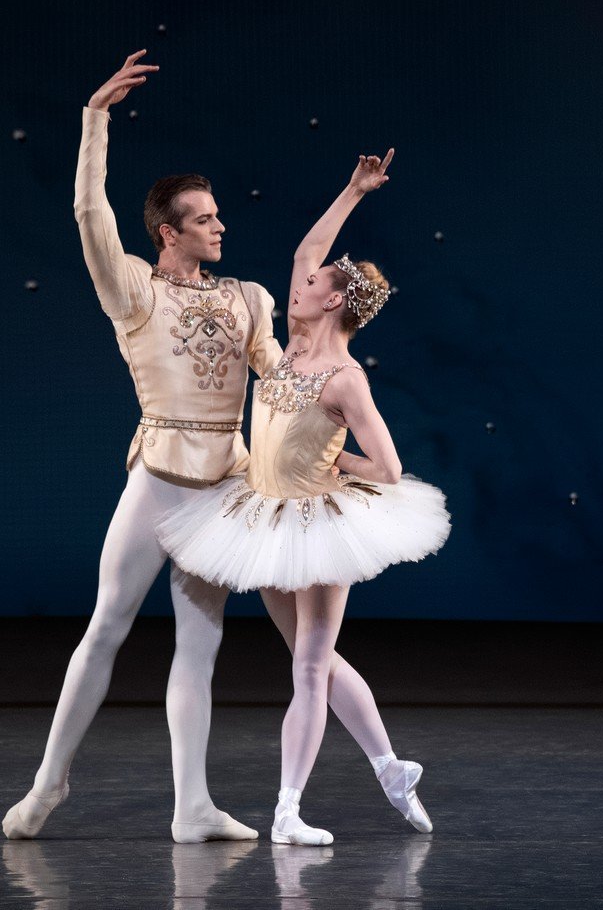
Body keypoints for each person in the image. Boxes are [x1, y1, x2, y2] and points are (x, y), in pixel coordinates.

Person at [1, 51, 412, 846]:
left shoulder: (248, 298)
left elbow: (284, 381)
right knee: (108, 624)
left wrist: (332, 432)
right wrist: (96, 122)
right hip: (157, 476)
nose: (222, 224)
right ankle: (48, 781)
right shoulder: (135, 290)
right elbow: (91, 217)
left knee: (201, 646)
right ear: (169, 231)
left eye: (219, 214)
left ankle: (192, 805)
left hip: (225, 485)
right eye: (205, 217)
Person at [156, 149, 451, 845]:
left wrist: (328, 456)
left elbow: (387, 466)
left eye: (313, 281)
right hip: (265, 517)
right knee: (311, 659)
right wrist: (352, 190)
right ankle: (391, 766)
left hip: (320, 521)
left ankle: (287, 808)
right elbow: (308, 247)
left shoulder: (345, 378)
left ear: (336, 300)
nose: (300, 280)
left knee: (311, 664)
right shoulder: (289, 348)